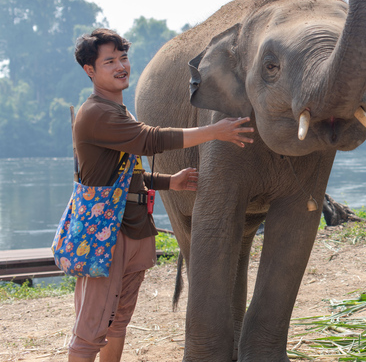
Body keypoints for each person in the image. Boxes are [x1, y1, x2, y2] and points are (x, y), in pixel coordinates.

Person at [69, 28, 254, 362]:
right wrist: (215, 131)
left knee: (117, 322)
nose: (120, 66)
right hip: (104, 236)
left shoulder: (118, 112)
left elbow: (127, 176)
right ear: (90, 71)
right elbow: (151, 139)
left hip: (132, 229)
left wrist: (172, 181)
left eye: (123, 58)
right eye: (109, 61)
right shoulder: (97, 114)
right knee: (91, 328)